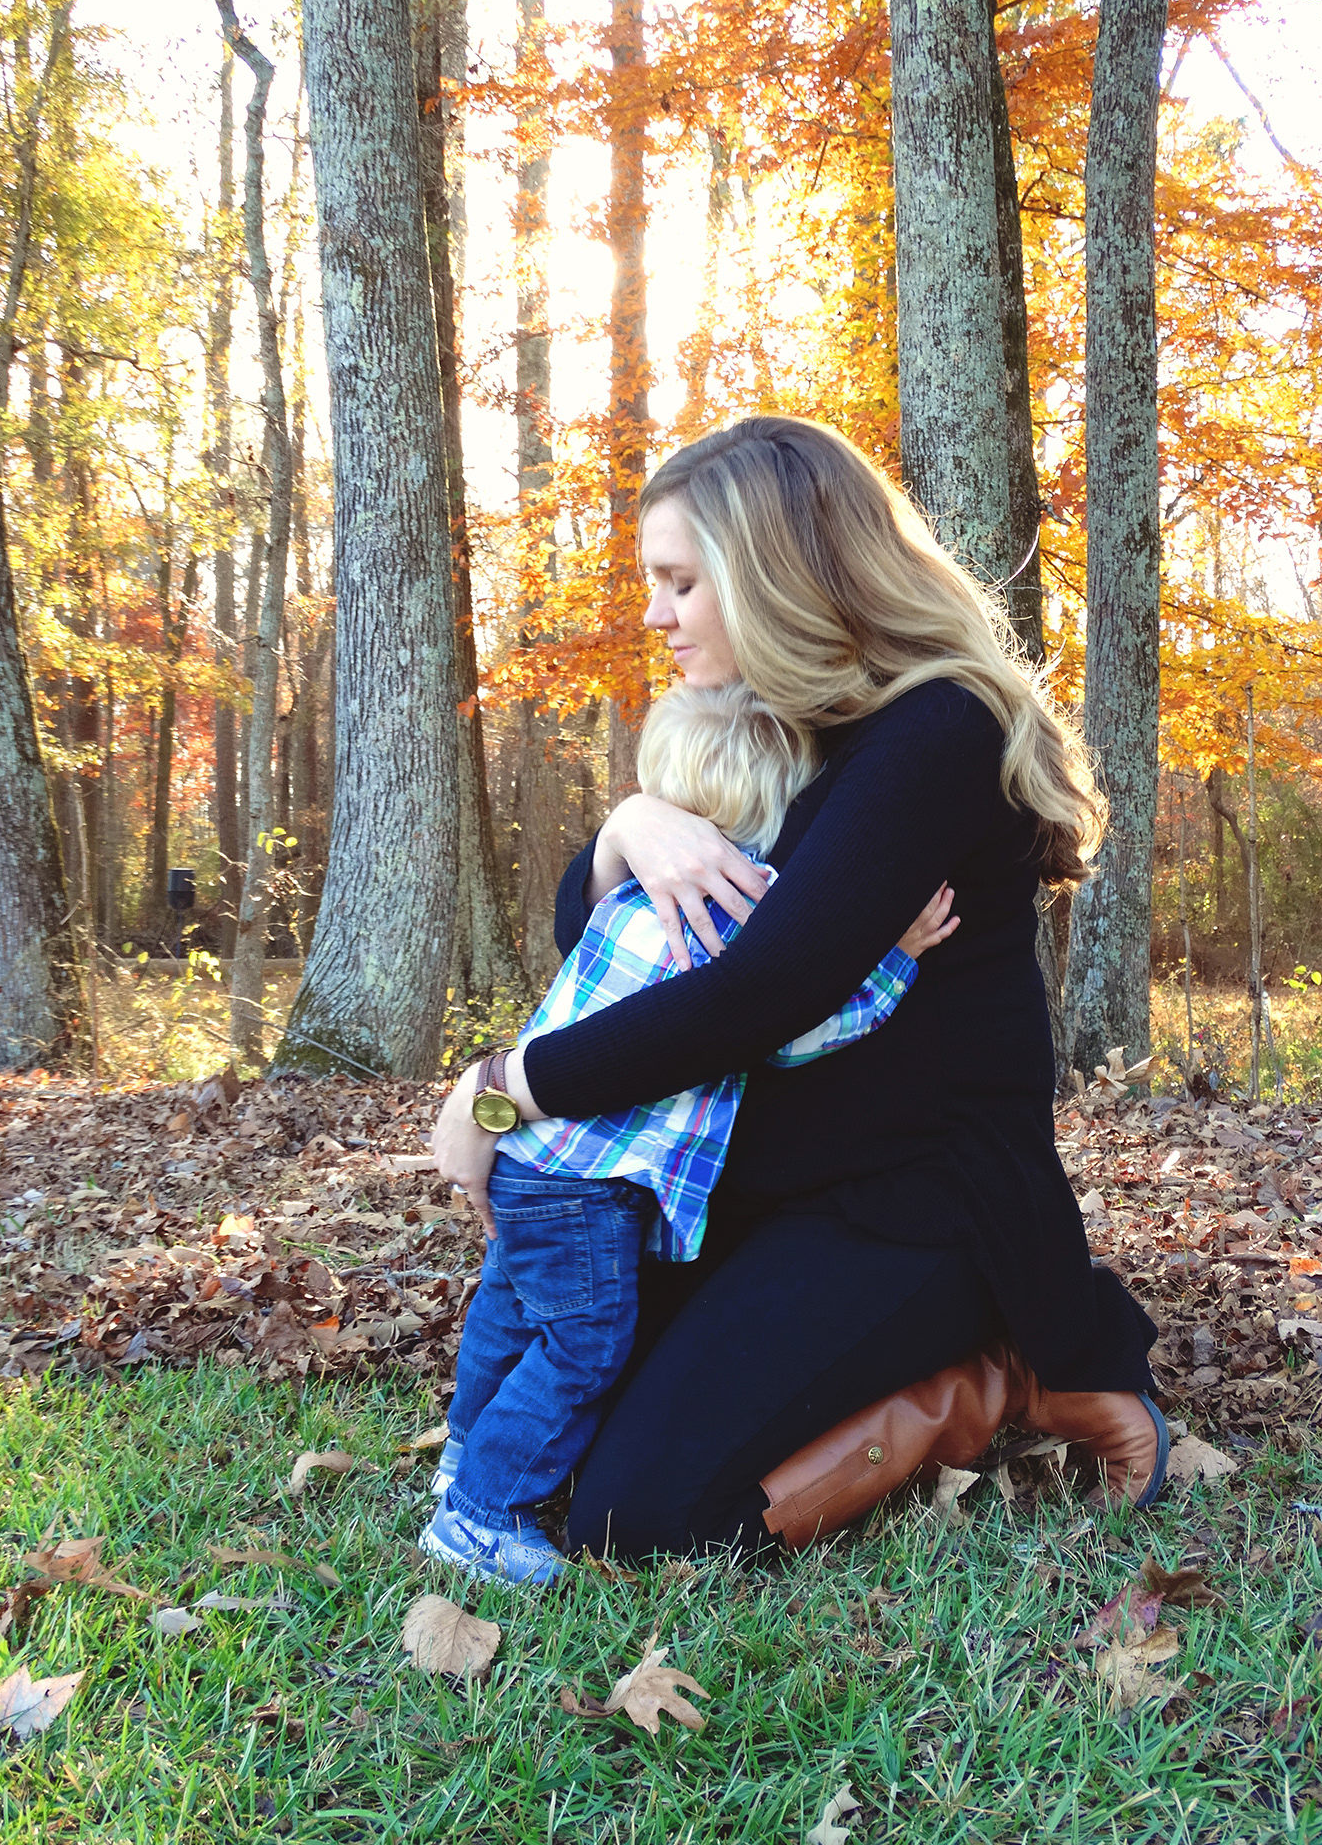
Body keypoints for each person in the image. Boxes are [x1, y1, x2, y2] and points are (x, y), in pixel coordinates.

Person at [431, 415, 1166, 1565]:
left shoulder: (937, 730)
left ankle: (999, 1370)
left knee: (645, 1514)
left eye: (681, 582)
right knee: (565, 1430)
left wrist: (503, 1089)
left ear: (775, 571)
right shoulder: (779, 718)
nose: (656, 614)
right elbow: (608, 943)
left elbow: (756, 993)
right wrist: (631, 829)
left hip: (912, 1202)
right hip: (756, 1183)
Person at [421, 679, 959, 1585]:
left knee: (507, 1312)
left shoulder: (627, 898)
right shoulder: (732, 908)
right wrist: (893, 963)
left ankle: (465, 1454)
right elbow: (783, 1032)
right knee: (585, 1347)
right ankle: (481, 1513)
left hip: (532, 1162)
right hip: (587, 1190)